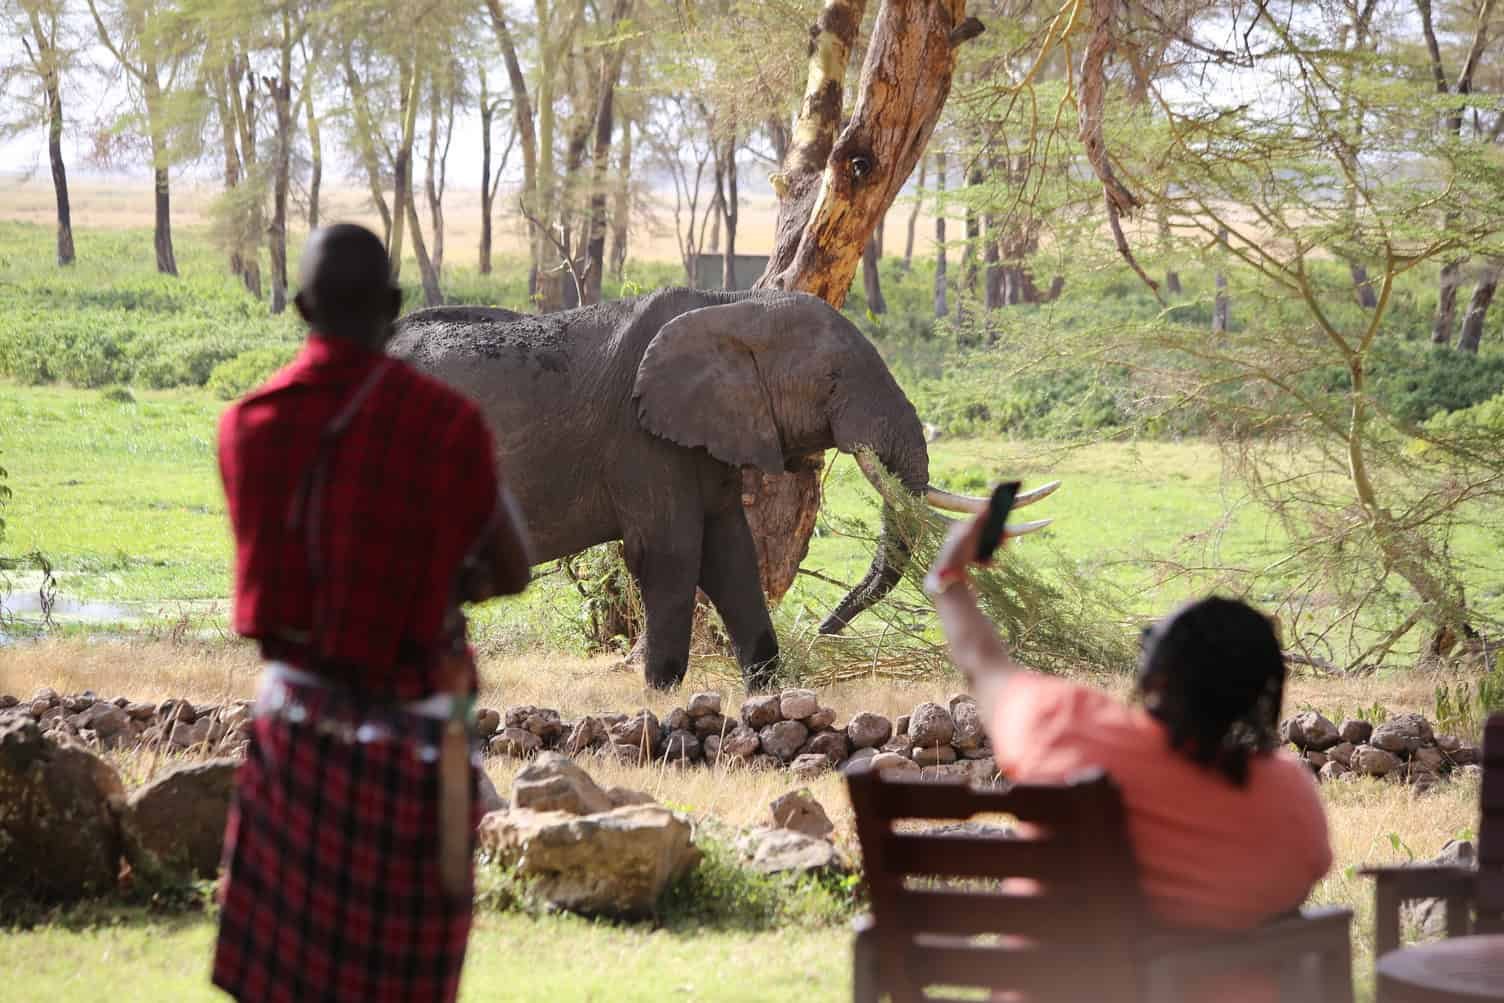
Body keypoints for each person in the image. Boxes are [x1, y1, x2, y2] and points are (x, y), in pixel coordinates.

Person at [212, 223, 532, 1002]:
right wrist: (438, 584)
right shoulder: (446, 425)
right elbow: (513, 564)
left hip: (293, 746)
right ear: (394, 306)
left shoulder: (246, 428)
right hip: (416, 756)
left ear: (300, 307)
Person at [924, 509, 1331, 934]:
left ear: (1155, 676)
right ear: (1264, 692)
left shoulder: (1066, 727)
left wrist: (948, 576)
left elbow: (982, 664)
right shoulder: (1290, 797)